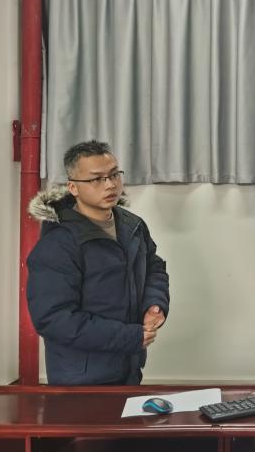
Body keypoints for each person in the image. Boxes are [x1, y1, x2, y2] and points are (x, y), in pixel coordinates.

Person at [26, 140, 170, 385]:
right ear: (73, 187)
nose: (110, 184)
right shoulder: (59, 242)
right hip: (81, 378)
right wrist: (129, 336)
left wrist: (155, 304)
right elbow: (54, 319)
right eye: (96, 179)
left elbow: (154, 267)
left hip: (129, 366)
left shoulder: (132, 225)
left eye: (114, 175)